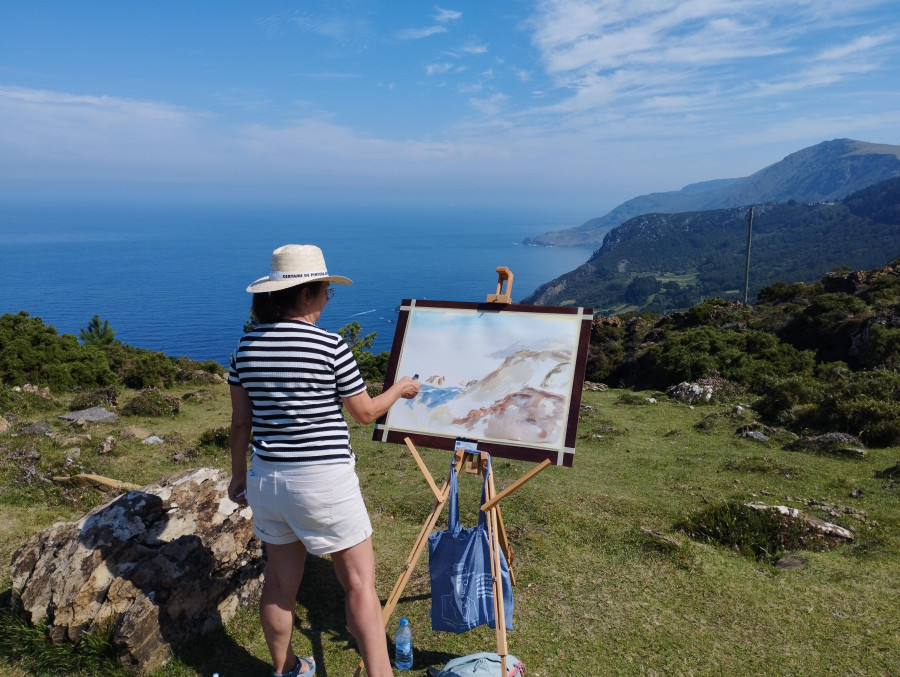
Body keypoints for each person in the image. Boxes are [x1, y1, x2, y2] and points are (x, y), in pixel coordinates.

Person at [227, 244, 420, 677]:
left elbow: (241, 424)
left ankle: (287, 669)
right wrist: (402, 389)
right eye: (326, 293)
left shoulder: (245, 347)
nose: (327, 301)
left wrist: (239, 474)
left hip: (267, 481)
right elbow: (366, 411)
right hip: (323, 483)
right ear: (308, 294)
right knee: (358, 586)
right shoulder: (330, 345)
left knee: (279, 586)